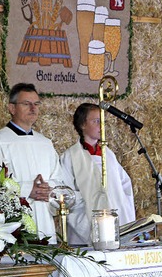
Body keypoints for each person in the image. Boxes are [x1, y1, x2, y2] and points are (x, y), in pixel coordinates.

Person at [0, 83, 67, 244]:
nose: (33, 108)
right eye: (26, 104)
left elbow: (59, 179)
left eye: (36, 104)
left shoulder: (45, 143)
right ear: (12, 108)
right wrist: (27, 189)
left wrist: (48, 189)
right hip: (15, 225)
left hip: (45, 222)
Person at [60, 103, 136, 245]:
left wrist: (126, 218)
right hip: (85, 232)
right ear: (83, 124)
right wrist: (86, 226)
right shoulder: (71, 157)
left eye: (102, 121)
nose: (101, 126)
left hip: (117, 228)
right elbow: (68, 194)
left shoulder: (109, 154)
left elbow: (125, 185)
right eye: (96, 121)